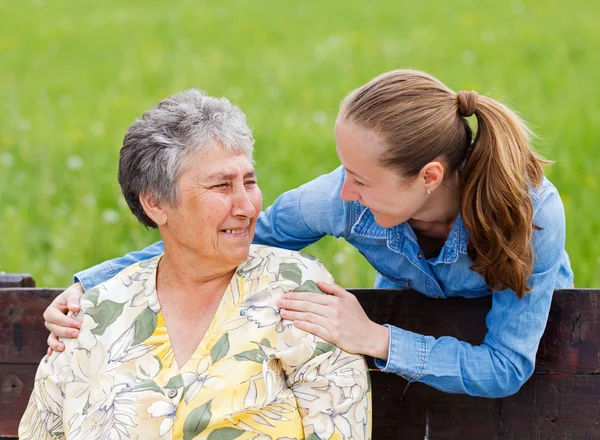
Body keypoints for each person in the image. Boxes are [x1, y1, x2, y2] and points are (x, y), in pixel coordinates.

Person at [43, 69, 573, 399]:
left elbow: (505, 367)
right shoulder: (338, 198)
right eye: (345, 172)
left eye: (361, 180)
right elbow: (223, 239)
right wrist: (95, 284)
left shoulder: (531, 217)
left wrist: (374, 338)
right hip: (408, 330)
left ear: (429, 177)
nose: (344, 192)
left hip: (515, 355)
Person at [20, 90, 371, 440]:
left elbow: (342, 427)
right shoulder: (96, 314)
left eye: (249, 182)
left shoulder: (295, 288)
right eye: (222, 186)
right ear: (156, 204)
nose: (247, 207)